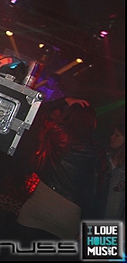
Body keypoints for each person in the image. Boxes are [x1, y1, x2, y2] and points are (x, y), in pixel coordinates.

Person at [14, 100, 105, 241]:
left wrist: (64, 100)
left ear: (70, 116)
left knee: (19, 250)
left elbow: (39, 110)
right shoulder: (97, 152)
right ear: (92, 122)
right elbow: (94, 191)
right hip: (67, 215)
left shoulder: (58, 133)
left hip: (40, 204)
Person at [100, 121, 125, 222]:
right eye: (113, 134)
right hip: (92, 215)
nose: (112, 137)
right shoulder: (103, 159)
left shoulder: (122, 171)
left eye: (117, 135)